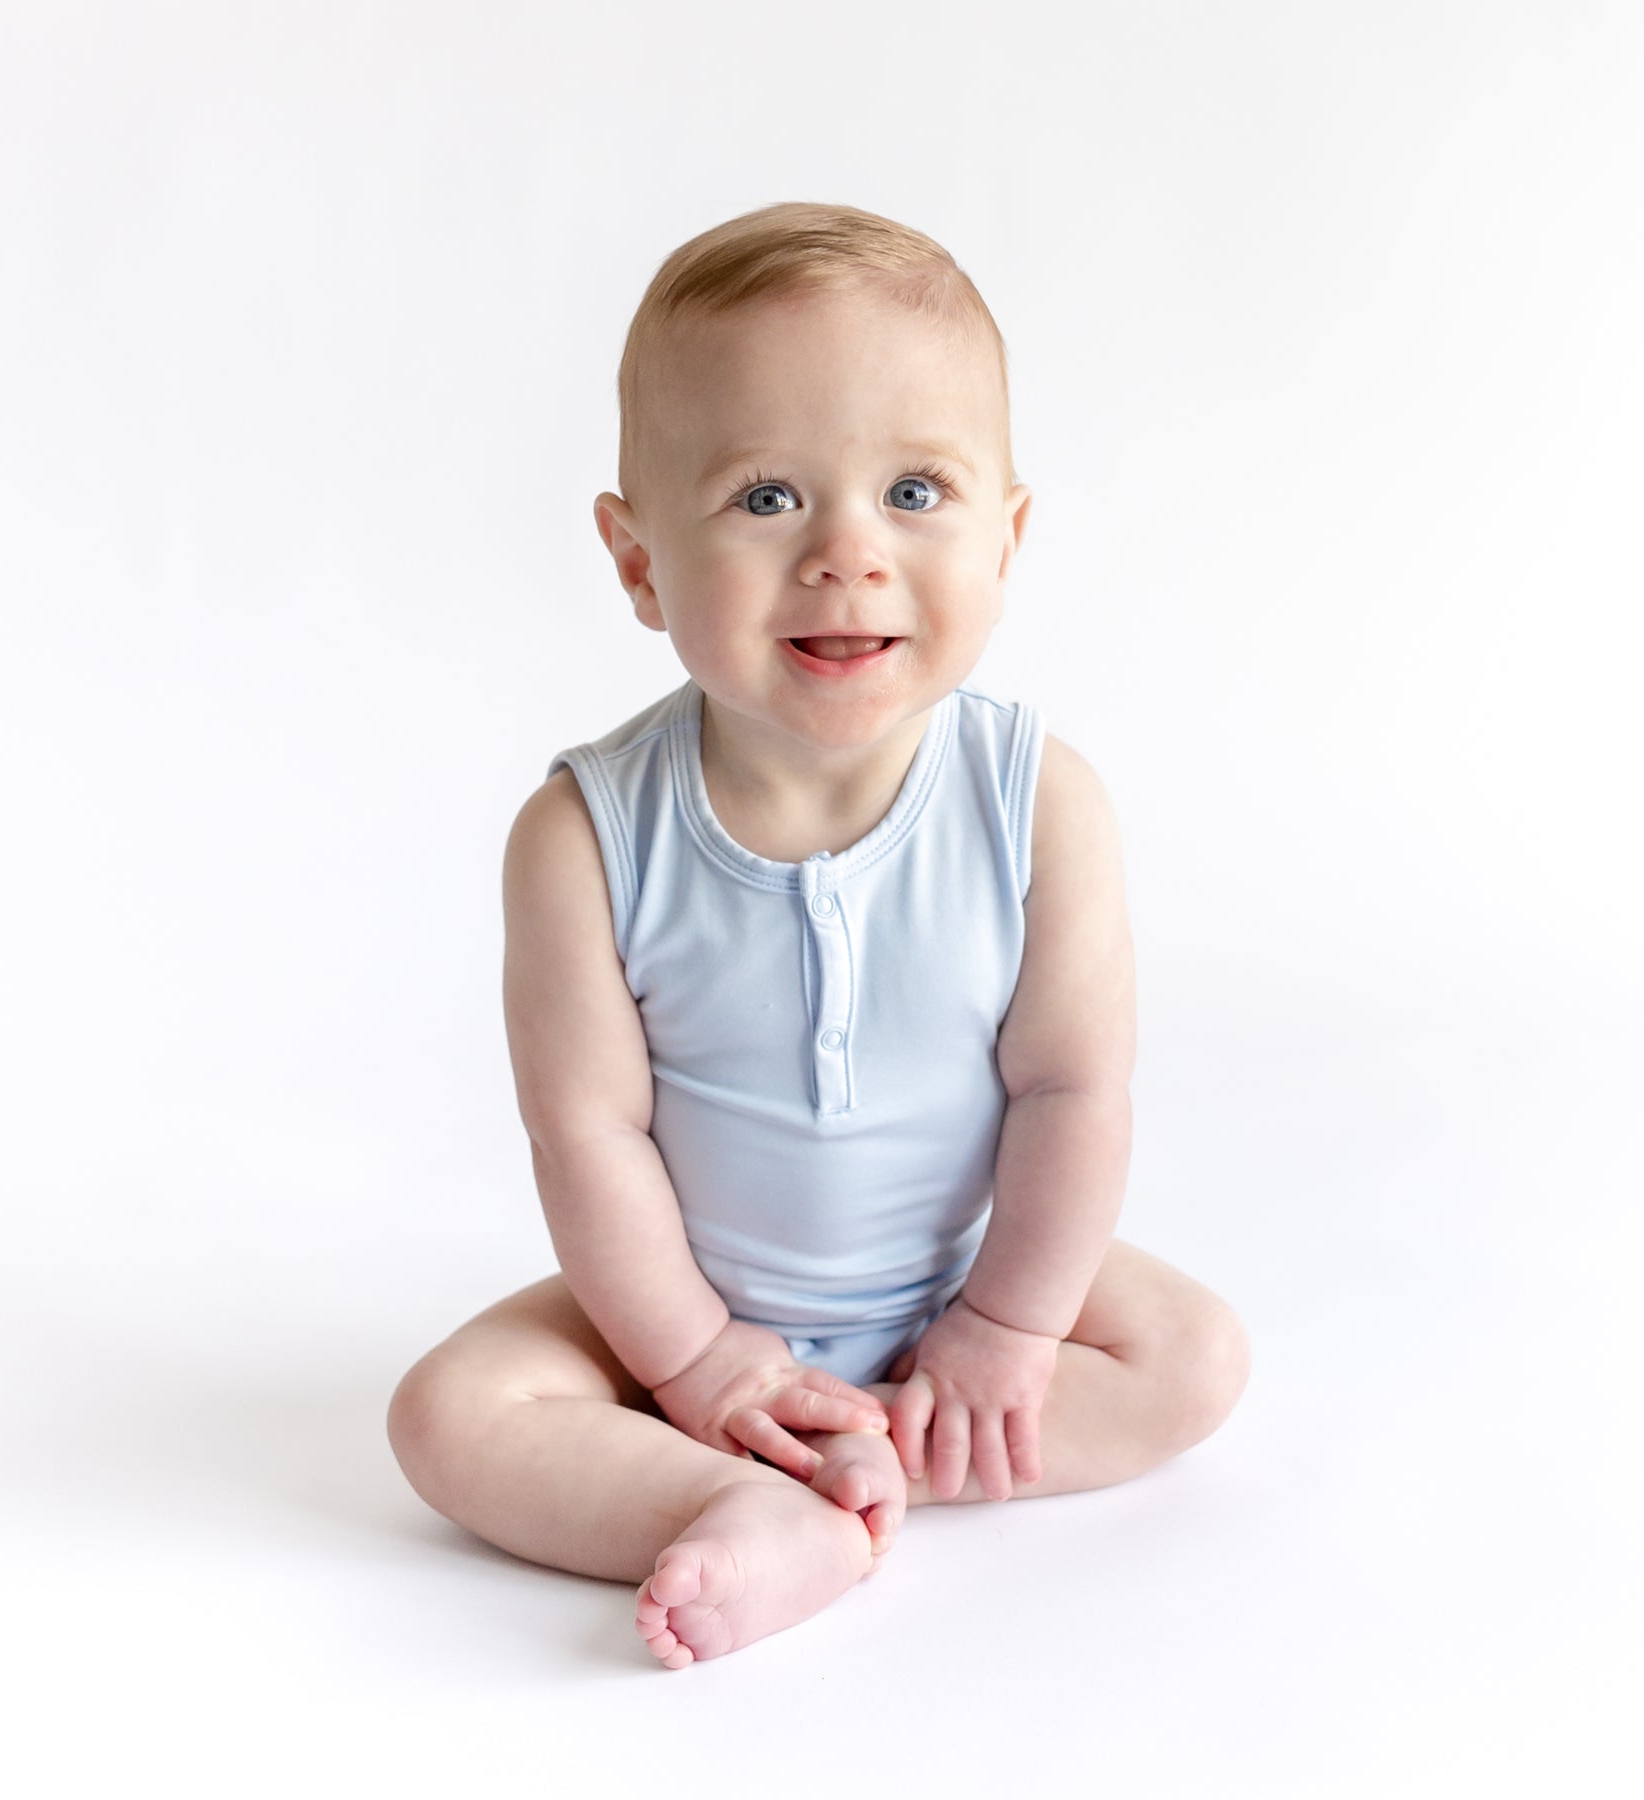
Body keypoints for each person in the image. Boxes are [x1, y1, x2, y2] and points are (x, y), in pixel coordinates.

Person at [387, 201, 1251, 1671]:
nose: (849, 553)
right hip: (690, 1310)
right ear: (639, 556)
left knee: (1193, 1360)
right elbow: (587, 1142)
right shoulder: (586, 837)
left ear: (1009, 535)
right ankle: (744, 1487)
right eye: (769, 497)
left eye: (917, 491)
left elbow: (1071, 1096)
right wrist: (701, 1362)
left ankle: (874, 1457)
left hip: (952, 1288)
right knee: (449, 1415)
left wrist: (1004, 1327)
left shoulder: (1037, 803)